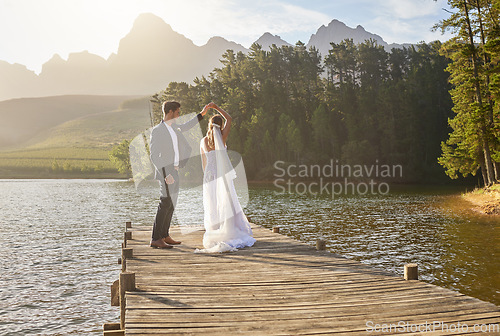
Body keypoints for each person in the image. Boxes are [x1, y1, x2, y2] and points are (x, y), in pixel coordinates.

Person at [197, 103, 256, 253]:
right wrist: (216, 107)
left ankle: (214, 230)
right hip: (221, 175)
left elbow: (204, 163)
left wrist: (207, 177)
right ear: (220, 126)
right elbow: (229, 118)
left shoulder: (203, 141)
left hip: (209, 175)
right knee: (226, 202)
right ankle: (228, 230)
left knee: (213, 202)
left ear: (210, 125)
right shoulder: (222, 138)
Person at [149, 101, 209, 249]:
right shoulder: (158, 130)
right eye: (177, 112)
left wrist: (202, 114)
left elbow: (188, 125)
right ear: (170, 112)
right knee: (165, 203)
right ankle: (156, 238)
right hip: (166, 172)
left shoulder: (175, 128)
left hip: (174, 170)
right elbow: (154, 156)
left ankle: (164, 235)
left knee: (171, 203)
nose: (179, 115)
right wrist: (165, 174)